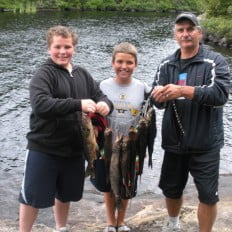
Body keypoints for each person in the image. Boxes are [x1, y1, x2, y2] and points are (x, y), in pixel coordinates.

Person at [18, 25, 113, 232]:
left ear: (74, 48)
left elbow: (100, 95)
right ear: (49, 49)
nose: (63, 51)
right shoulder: (43, 75)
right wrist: (78, 104)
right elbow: (41, 105)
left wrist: (106, 104)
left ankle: (61, 227)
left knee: (64, 193)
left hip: (75, 150)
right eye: (57, 47)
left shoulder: (83, 74)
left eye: (67, 46)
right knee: (32, 196)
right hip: (44, 148)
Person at [151, 12, 230, 232]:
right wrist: (157, 97)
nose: (185, 34)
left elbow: (220, 94)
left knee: (207, 195)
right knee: (171, 189)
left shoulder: (215, 61)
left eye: (190, 29)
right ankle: (173, 225)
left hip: (205, 144)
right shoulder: (166, 64)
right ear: (175, 35)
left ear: (199, 33)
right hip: (174, 142)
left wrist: (183, 91)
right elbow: (157, 103)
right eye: (181, 30)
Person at [97, 42, 151, 232]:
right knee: (108, 184)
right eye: (119, 61)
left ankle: (121, 221)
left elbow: (149, 116)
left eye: (129, 62)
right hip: (107, 144)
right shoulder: (101, 86)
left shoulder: (143, 88)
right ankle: (111, 223)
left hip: (132, 145)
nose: (124, 67)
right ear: (112, 63)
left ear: (136, 64)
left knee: (127, 182)